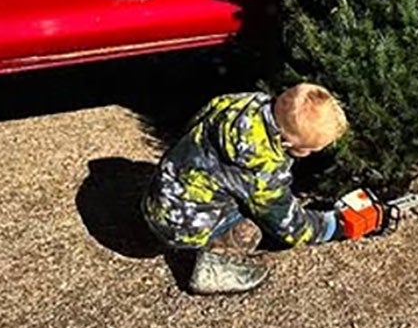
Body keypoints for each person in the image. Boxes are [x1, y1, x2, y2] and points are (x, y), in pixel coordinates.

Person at [143, 84, 350, 295]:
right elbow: (287, 223)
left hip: (161, 193)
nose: (310, 154)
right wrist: (331, 227)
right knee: (252, 227)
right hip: (182, 225)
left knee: (227, 190)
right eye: (310, 150)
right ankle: (214, 269)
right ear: (285, 143)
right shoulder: (262, 166)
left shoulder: (242, 103)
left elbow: (195, 122)